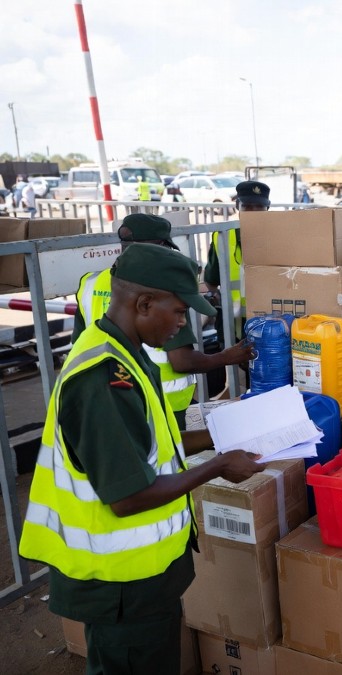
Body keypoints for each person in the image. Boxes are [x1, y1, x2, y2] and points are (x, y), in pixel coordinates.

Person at [19, 243, 265, 674]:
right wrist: (219, 465)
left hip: (142, 578)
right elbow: (129, 497)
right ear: (144, 302)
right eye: (179, 312)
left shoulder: (127, 354)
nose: (184, 325)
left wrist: (220, 436)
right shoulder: (102, 381)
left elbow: (153, 445)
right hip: (119, 583)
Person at [73, 213, 253, 429]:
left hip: (122, 395)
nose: (181, 321)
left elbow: (80, 342)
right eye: (180, 312)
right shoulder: (162, 291)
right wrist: (226, 357)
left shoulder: (91, 283)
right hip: (164, 403)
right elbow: (182, 361)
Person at [204, 180, 271, 336]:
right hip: (233, 323)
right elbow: (211, 280)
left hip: (272, 321)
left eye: (259, 207)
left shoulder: (282, 236)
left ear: (268, 207)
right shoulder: (222, 237)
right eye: (247, 207)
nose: (253, 213)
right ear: (237, 207)